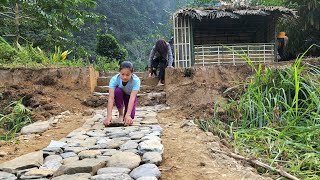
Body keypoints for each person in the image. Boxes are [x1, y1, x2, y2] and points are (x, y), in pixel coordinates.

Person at [103, 61, 141, 127]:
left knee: (130, 118)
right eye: (122, 74)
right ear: (119, 72)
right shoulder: (114, 79)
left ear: (132, 74)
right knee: (117, 91)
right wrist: (109, 116)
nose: (125, 77)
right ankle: (121, 114)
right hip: (120, 95)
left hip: (130, 96)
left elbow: (132, 97)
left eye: (127, 75)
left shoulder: (136, 81)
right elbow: (111, 98)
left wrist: (128, 115)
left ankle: (126, 114)